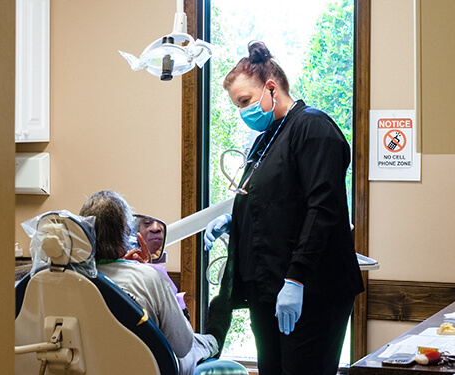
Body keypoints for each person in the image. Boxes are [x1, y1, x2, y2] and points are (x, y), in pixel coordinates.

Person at [203, 41, 364, 375]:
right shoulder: (268, 141)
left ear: (271, 88)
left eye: (245, 101)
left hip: (311, 291)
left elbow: (323, 209)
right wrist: (234, 220)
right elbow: (275, 204)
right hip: (269, 291)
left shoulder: (313, 128)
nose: (242, 111)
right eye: (236, 105)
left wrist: (296, 279)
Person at [79, 190, 218, 375]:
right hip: (149, 368)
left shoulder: (70, 279)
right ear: (127, 231)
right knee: (202, 343)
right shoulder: (150, 278)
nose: (155, 229)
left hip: (89, 367)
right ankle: (215, 339)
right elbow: (183, 346)